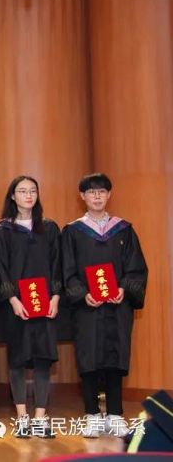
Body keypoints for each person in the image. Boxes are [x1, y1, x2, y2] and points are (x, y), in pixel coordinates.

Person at [61, 173, 148, 438]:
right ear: (82, 196)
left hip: (117, 306)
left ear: (109, 195)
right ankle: (91, 416)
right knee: (88, 359)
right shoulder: (73, 231)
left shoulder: (124, 230)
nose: (97, 196)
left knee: (115, 357)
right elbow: (66, 271)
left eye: (102, 191)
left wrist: (124, 289)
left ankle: (115, 415)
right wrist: (82, 294)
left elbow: (137, 268)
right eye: (91, 192)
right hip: (87, 307)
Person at [0, 175, 61, 439]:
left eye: (33, 190)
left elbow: (58, 264)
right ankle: (22, 417)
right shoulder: (2, 230)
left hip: (45, 303)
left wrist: (55, 297)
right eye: (22, 191)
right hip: (17, 305)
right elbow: (0, 268)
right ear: (13, 196)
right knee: (18, 359)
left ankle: (40, 417)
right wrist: (12, 299)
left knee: (43, 358)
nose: (28, 195)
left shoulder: (49, 228)